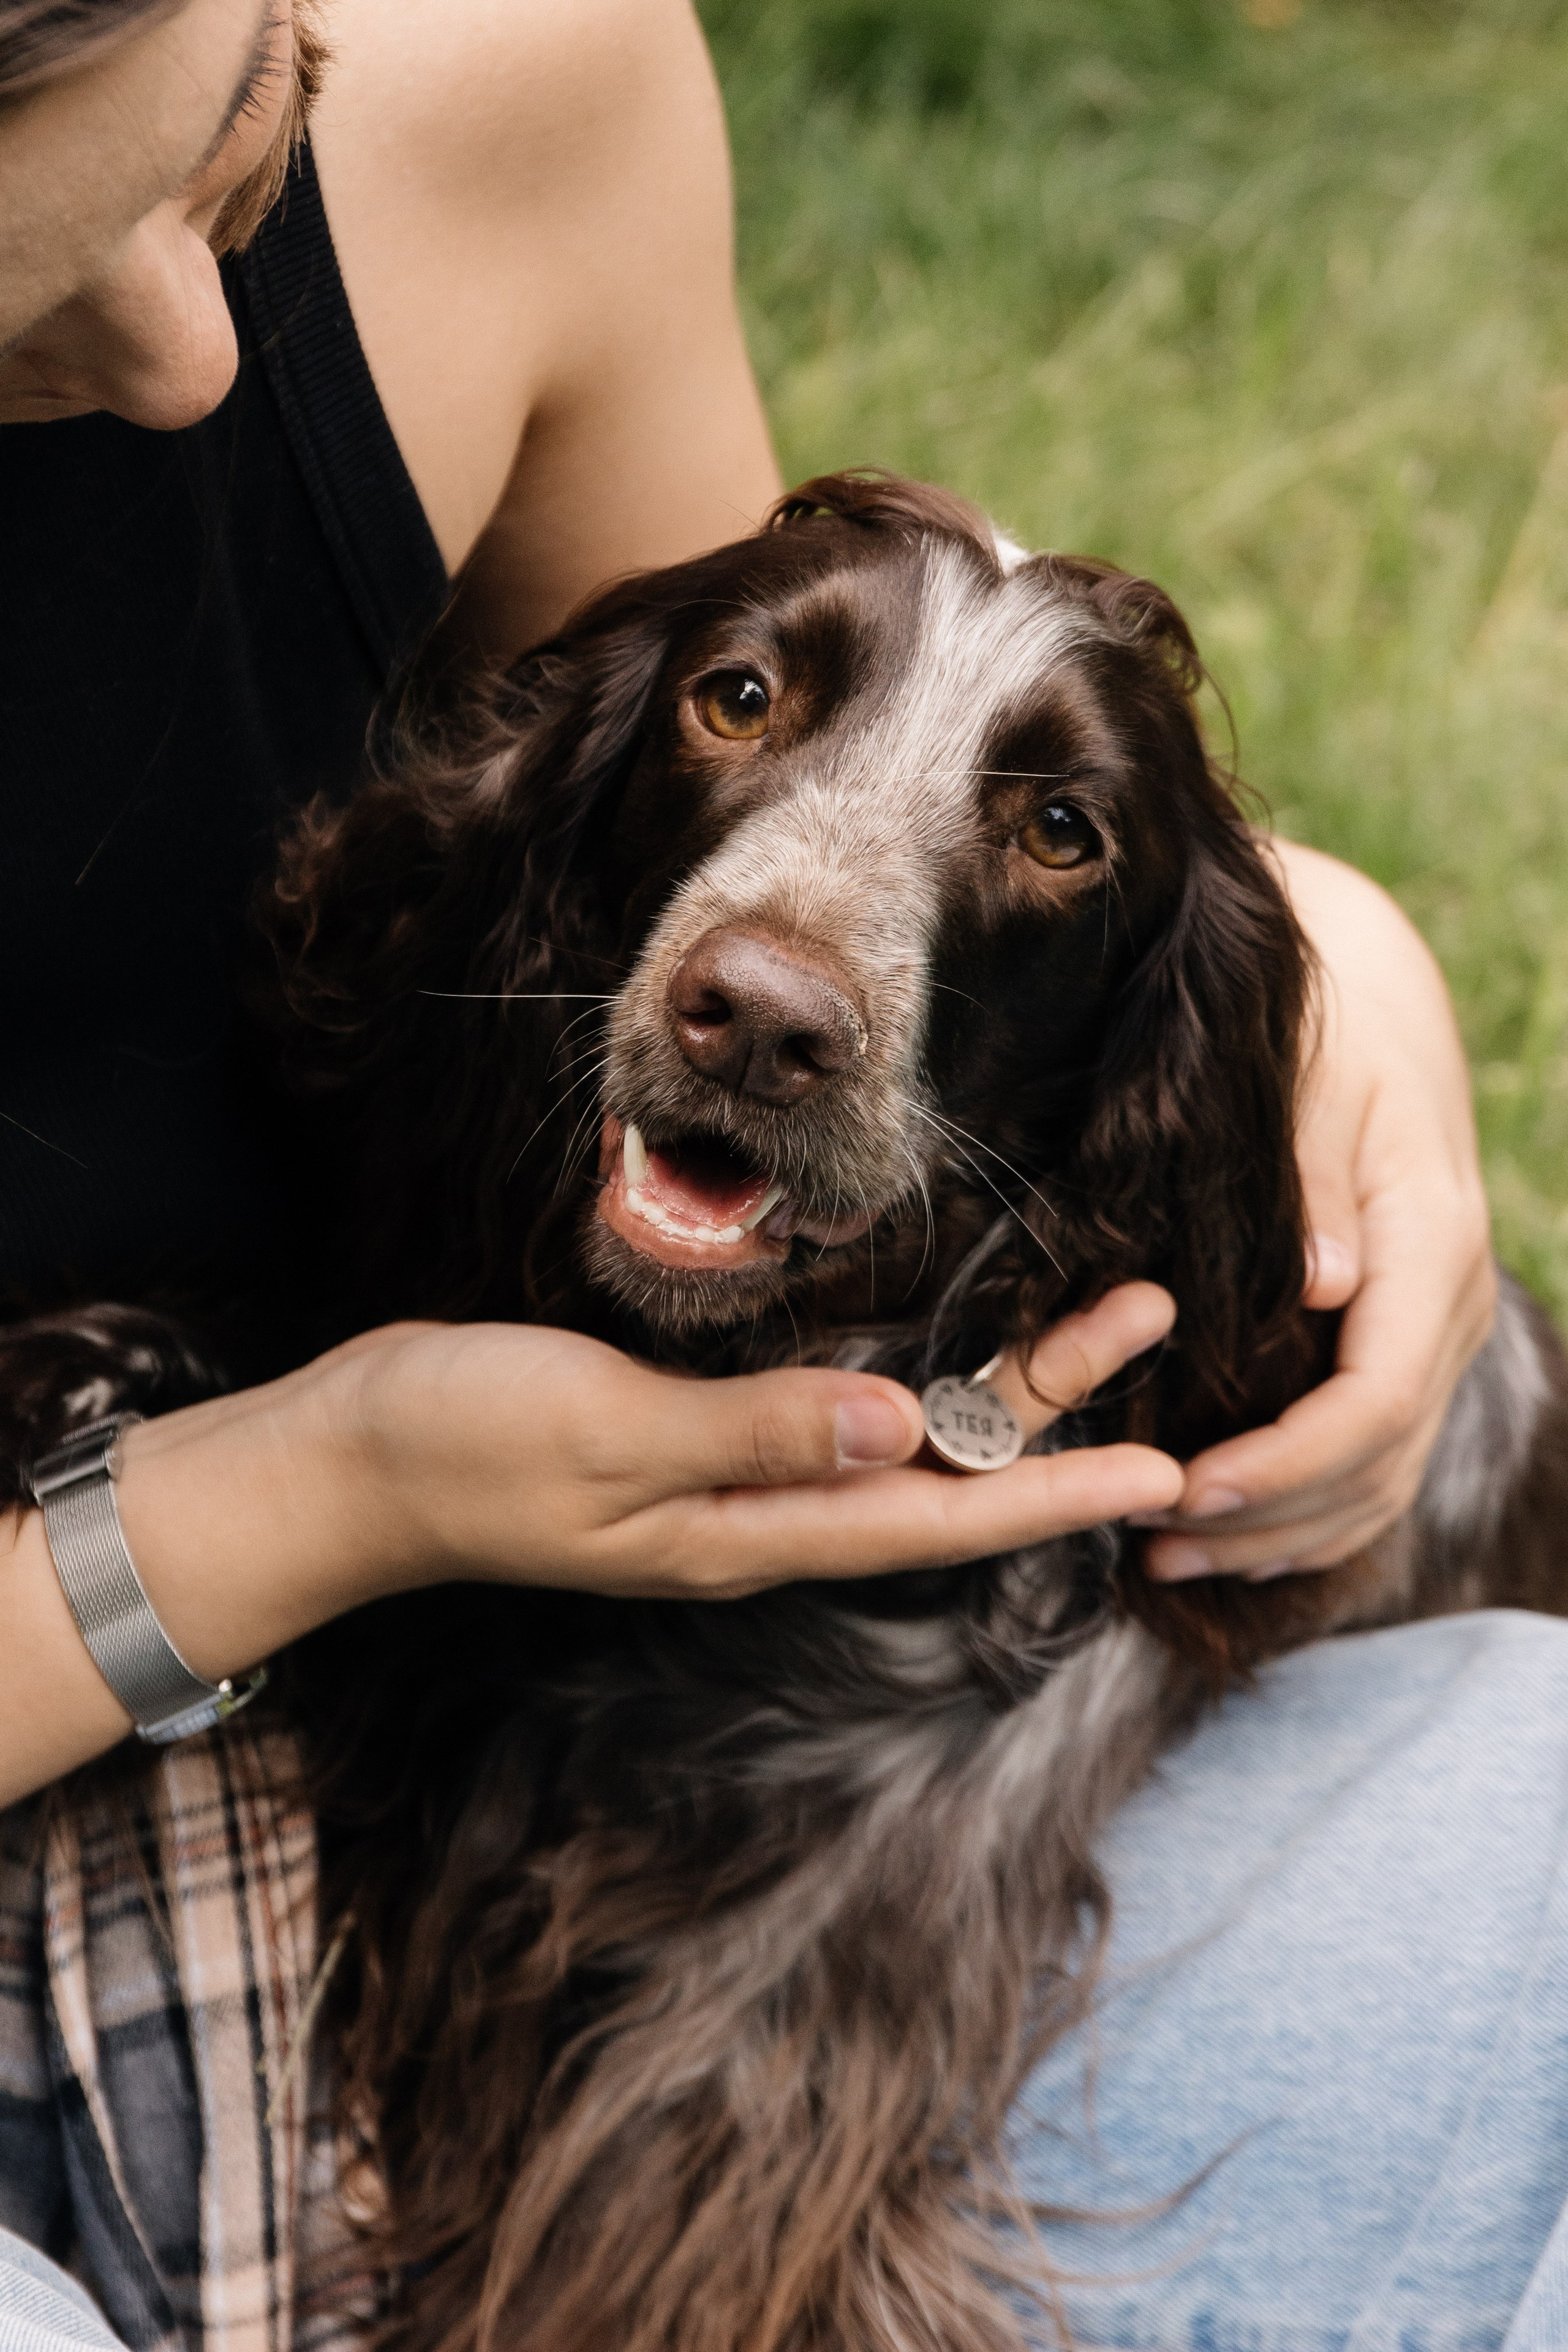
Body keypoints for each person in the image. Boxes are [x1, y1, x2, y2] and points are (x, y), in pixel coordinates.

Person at [0, 0, 1541, 2343]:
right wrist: (327, 1491)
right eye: (31, 243)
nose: (200, 343)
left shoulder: (523, 87)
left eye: (235, 145)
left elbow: (800, 721)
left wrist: (1327, 965)